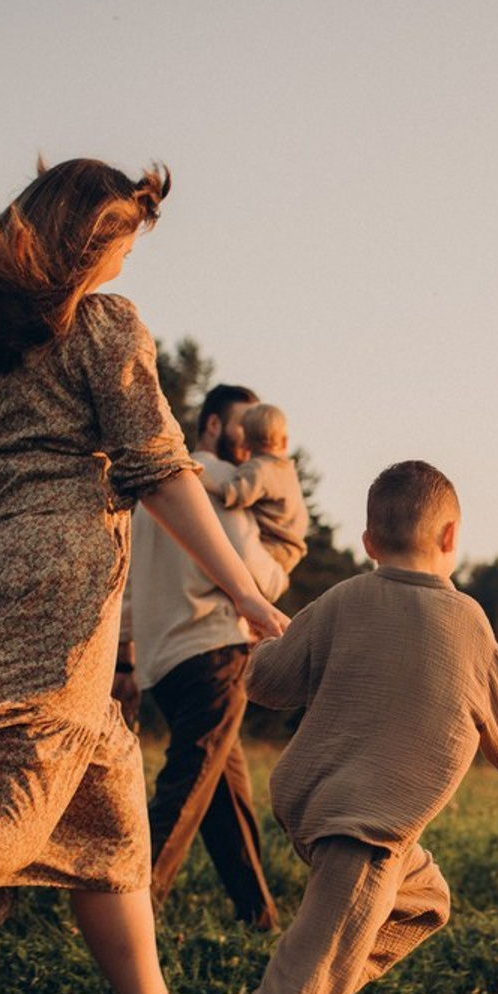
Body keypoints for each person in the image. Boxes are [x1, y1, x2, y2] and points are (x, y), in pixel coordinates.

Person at [0, 158, 288, 994]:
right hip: (57, 591)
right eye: (125, 239)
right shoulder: (103, 327)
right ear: (92, 243)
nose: (130, 259)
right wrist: (245, 592)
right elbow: (160, 468)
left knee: (103, 783)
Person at [163, 460, 498, 994]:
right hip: (370, 831)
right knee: (306, 966)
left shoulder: (343, 599)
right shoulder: (468, 621)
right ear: (452, 536)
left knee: (427, 902)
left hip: (315, 809)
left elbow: (269, 683)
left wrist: (269, 641)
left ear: (370, 539)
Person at [118, 385, 288, 932]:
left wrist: (126, 660)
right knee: (188, 785)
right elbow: (257, 575)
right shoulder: (213, 485)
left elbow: (127, 583)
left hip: (162, 662)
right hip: (213, 649)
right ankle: (132, 909)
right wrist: (286, 559)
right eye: (243, 428)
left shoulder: (156, 490)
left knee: (224, 790)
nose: (251, 443)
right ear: (213, 426)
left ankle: (258, 916)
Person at [199, 401, 308, 573]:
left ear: (246, 444)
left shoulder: (258, 469)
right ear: (285, 441)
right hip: (292, 547)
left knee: (228, 569)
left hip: (274, 547)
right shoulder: (287, 470)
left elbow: (237, 494)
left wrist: (208, 483)